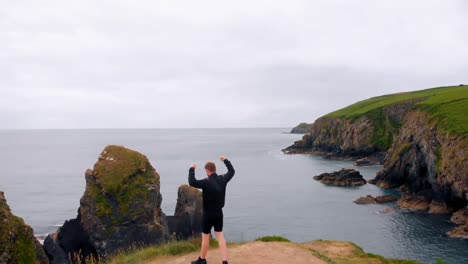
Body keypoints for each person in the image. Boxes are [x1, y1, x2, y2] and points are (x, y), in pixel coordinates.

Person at [189, 156, 235, 264]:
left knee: (205, 237)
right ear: (215, 170)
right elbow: (232, 171)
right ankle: (224, 261)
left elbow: (192, 182)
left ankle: (202, 260)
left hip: (208, 214)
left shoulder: (205, 182)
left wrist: (192, 169)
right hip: (219, 213)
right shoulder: (223, 179)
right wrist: (226, 160)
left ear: (208, 171)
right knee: (220, 236)